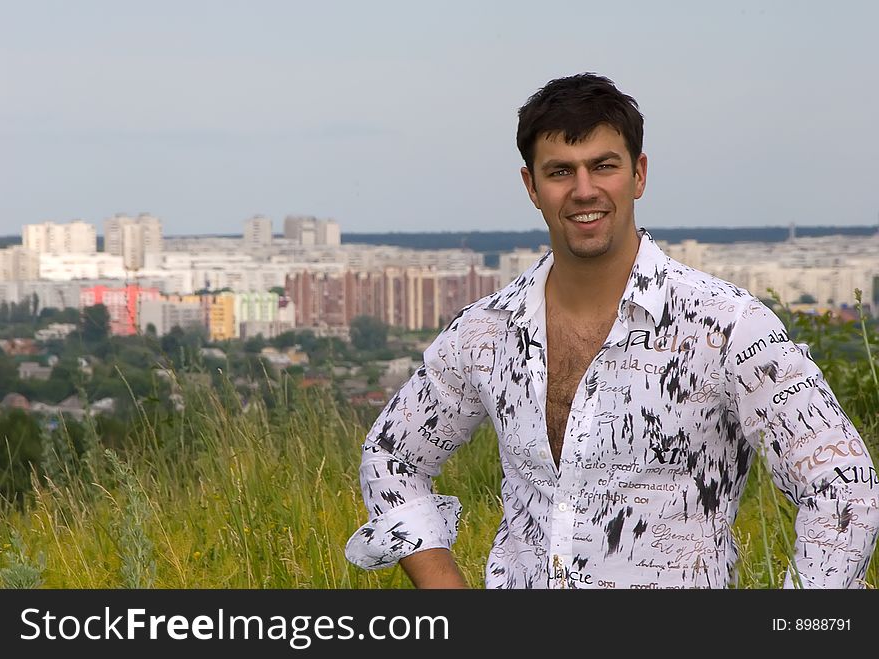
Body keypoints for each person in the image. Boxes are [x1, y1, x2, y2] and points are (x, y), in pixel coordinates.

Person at [344, 73, 879, 589]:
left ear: (639, 174)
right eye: (559, 172)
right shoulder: (487, 332)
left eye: (603, 166)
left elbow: (844, 490)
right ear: (531, 186)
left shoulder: (724, 324)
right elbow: (393, 458)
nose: (583, 190)